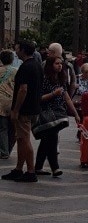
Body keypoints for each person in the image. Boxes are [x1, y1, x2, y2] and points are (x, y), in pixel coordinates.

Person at [2, 40, 43, 183]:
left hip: (24, 110)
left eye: (17, 48)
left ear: (23, 50)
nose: (15, 50)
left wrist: (16, 110)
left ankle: (31, 171)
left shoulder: (25, 67)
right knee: (20, 139)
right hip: (34, 108)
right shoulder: (37, 65)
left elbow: (23, 89)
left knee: (24, 140)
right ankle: (18, 169)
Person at [34, 54, 81, 177]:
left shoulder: (61, 79)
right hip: (46, 114)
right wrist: (53, 94)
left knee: (46, 141)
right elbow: (38, 98)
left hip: (58, 114)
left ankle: (38, 167)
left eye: (61, 64)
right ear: (50, 65)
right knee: (52, 139)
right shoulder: (44, 79)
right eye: (57, 63)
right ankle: (55, 168)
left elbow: (67, 98)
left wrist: (75, 114)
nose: (60, 66)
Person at [0, 49, 17, 160]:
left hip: (0, 102)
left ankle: (4, 151)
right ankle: (9, 149)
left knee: (2, 128)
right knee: (13, 128)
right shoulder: (17, 71)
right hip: (13, 102)